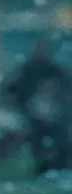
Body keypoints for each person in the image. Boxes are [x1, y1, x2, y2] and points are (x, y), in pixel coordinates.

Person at [9, 41, 70, 177]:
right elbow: (15, 92)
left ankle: (58, 164)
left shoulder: (57, 71)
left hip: (54, 122)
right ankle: (43, 165)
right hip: (35, 120)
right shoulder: (27, 71)